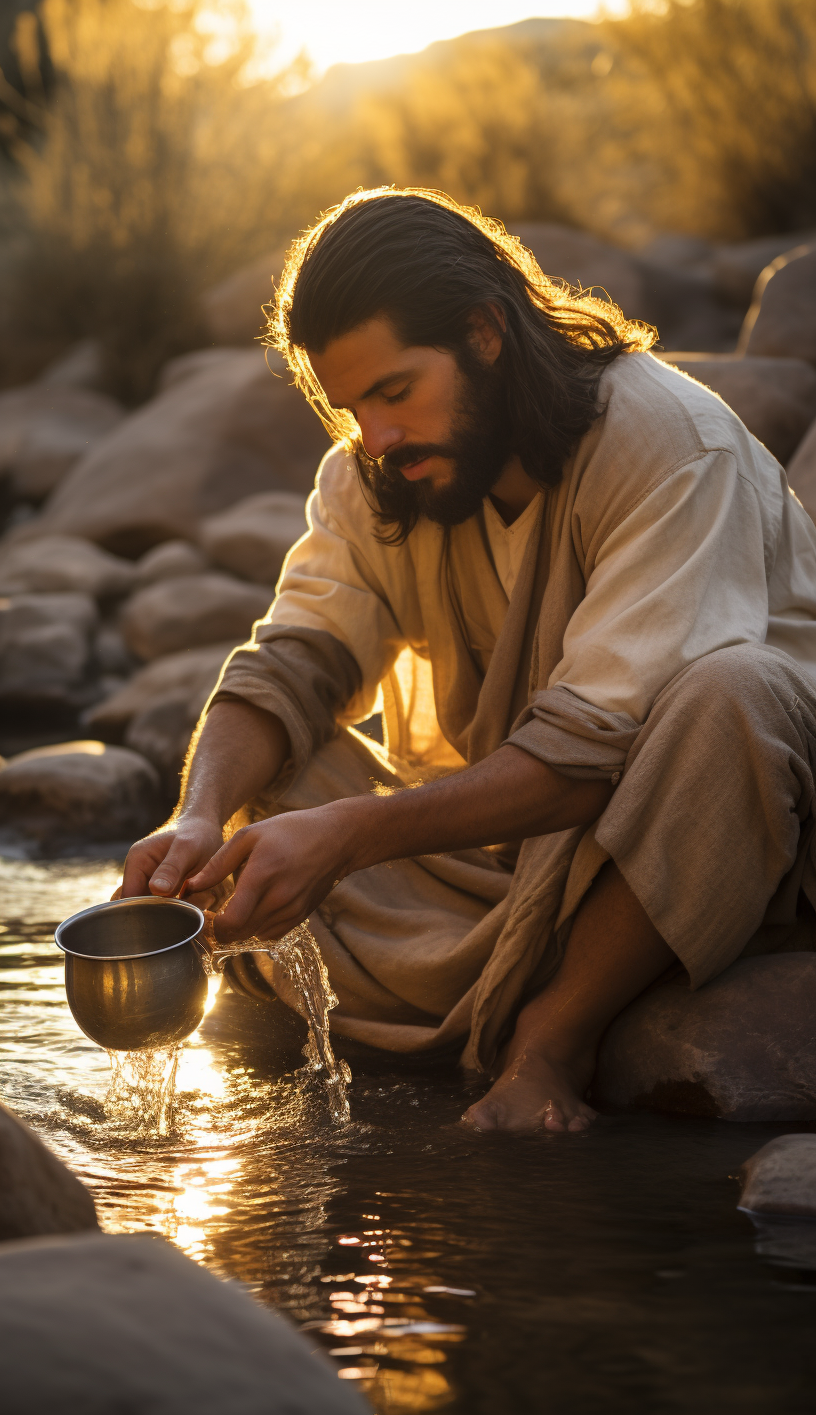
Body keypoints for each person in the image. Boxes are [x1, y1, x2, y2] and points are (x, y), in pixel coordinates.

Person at [119, 187, 816, 1134]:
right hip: (503, 858)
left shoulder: (670, 445)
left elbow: (590, 753)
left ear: (487, 334)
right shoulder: (383, 470)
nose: (377, 437)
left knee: (735, 694)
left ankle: (554, 1036)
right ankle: (446, 979)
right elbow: (291, 661)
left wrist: (350, 840)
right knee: (276, 771)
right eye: (351, 404)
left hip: (682, 842)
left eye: (395, 391)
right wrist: (197, 819)